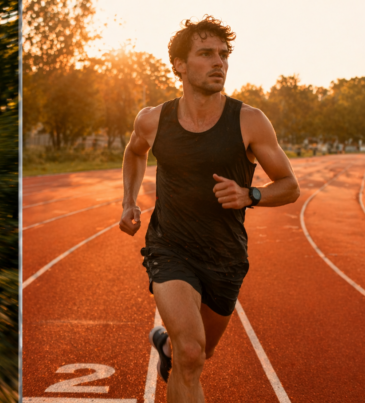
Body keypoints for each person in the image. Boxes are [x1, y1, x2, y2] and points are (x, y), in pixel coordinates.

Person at [118, 16, 300, 402]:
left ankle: (166, 348)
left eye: (223, 54)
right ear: (180, 65)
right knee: (191, 353)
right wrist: (128, 202)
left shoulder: (249, 121)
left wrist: (251, 195)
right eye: (206, 54)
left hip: (225, 257)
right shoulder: (153, 120)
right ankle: (176, 349)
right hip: (170, 249)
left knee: (201, 352)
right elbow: (135, 153)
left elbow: (290, 186)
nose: (219, 62)